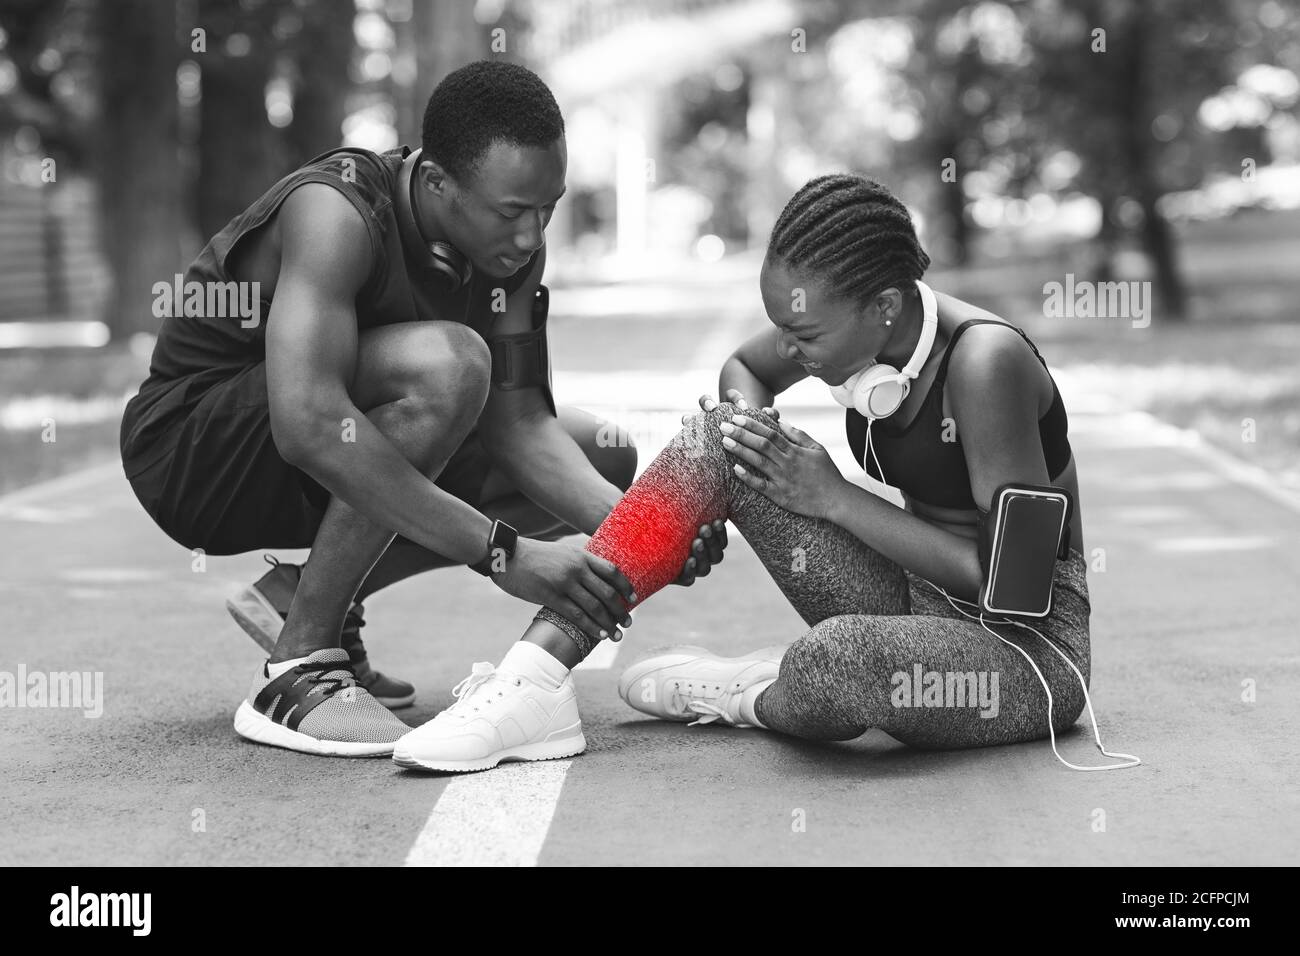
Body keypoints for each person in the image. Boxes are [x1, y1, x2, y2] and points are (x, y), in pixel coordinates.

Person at [118, 60, 725, 758]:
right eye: (511, 212)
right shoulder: (336, 214)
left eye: (547, 208)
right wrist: (505, 554)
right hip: (197, 454)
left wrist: (644, 533)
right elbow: (310, 424)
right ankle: (299, 663)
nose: (532, 236)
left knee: (603, 456)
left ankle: (304, 596)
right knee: (453, 365)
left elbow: (522, 425)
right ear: (436, 181)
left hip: (325, 444)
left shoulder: (510, 252)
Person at [392, 174, 1092, 772]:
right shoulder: (845, 326)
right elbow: (747, 370)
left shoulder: (985, 363)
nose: (792, 350)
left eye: (807, 338)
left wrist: (835, 499)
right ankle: (533, 680)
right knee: (716, 438)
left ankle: (748, 693)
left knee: (837, 663)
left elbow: (1016, 588)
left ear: (885, 307)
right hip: (913, 596)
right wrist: (746, 436)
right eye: (784, 326)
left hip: (1022, 656)